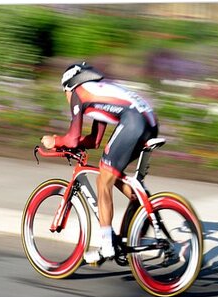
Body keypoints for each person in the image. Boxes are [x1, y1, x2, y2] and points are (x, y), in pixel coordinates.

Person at [41, 62, 159, 264]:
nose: (67, 98)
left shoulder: (79, 92)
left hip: (134, 121)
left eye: (64, 92)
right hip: (149, 122)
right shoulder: (97, 92)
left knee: (103, 179)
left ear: (69, 85)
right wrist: (71, 143)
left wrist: (55, 142)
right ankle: (132, 233)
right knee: (115, 175)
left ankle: (106, 246)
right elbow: (95, 140)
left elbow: (72, 138)